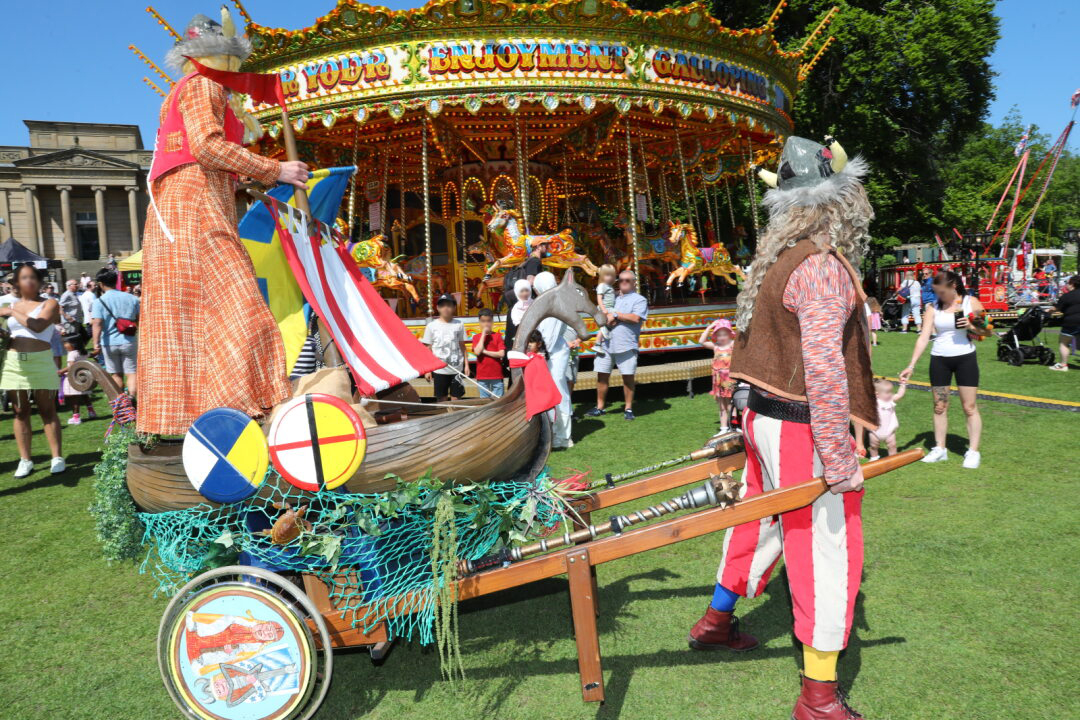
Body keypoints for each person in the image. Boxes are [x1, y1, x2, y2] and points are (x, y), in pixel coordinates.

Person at [688, 136, 877, 720]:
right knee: (825, 544)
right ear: (844, 201)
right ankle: (819, 697)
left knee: (762, 517)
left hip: (763, 417)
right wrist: (841, 458)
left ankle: (716, 621)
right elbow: (822, 369)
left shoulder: (778, 257)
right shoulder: (820, 265)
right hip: (800, 424)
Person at [137, 9, 305, 436]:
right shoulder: (203, 87)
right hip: (195, 212)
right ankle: (247, 407)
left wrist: (245, 182)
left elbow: (198, 157)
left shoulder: (180, 91)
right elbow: (207, 148)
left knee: (192, 316)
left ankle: (200, 412)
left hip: (182, 210)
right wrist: (277, 170)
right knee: (240, 304)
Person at [899, 270, 983, 468]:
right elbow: (923, 337)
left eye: (941, 292)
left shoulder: (970, 302)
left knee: (969, 407)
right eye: (936, 292)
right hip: (939, 360)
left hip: (965, 359)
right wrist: (911, 365)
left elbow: (987, 329)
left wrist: (971, 325)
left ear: (953, 286)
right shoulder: (932, 307)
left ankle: (973, 451)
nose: (939, 296)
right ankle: (940, 449)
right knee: (939, 406)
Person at [0, 263, 65, 477]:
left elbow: (37, 326)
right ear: (17, 283)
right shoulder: (12, 303)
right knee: (20, 411)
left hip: (41, 361)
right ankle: (25, 460)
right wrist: (5, 336)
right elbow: (15, 333)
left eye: (32, 277)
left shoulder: (50, 303)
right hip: (14, 362)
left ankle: (56, 456)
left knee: (47, 410)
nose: (29, 281)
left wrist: (11, 311)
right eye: (24, 277)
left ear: (38, 281)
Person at [585, 270, 648, 421]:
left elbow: (635, 318)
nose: (624, 282)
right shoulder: (611, 297)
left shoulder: (639, 300)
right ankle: (600, 407)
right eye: (621, 280)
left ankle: (628, 408)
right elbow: (602, 314)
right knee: (602, 376)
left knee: (627, 377)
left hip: (626, 344)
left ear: (634, 282)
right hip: (606, 344)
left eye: (627, 280)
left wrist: (616, 316)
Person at [533, 271, 574, 448]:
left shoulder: (555, 303)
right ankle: (552, 432)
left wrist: (540, 352)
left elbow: (549, 334)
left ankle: (564, 435)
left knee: (558, 390)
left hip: (553, 353)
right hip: (548, 352)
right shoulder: (546, 302)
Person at [91, 268, 140, 398]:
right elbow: (138, 319)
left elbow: (97, 323)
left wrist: (96, 344)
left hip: (109, 342)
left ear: (100, 284)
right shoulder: (132, 298)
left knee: (116, 374)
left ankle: (119, 404)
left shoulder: (99, 301)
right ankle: (132, 398)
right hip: (129, 340)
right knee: (132, 372)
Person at [422, 293, 468, 401]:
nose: (445, 308)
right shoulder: (431, 326)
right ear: (438, 308)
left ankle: (456, 417)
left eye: (448, 305)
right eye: (442, 305)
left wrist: (466, 365)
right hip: (439, 370)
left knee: (456, 398)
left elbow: (462, 345)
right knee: (441, 398)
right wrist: (427, 370)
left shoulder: (459, 324)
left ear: (454, 307)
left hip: (457, 368)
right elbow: (428, 348)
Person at [698, 318, 735, 431]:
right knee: (721, 405)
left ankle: (734, 424)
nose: (722, 337)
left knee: (730, 403)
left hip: (729, 379)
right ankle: (723, 427)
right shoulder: (716, 346)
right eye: (719, 335)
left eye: (725, 334)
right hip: (718, 379)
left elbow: (742, 338)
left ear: (729, 334)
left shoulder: (732, 345)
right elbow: (701, 341)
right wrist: (709, 328)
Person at [59, 333, 97, 423]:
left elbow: (72, 367)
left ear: (73, 344)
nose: (64, 345)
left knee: (74, 398)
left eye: (66, 343)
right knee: (85, 396)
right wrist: (97, 352)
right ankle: (91, 412)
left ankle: (76, 417)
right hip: (84, 378)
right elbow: (91, 355)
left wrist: (61, 371)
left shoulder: (72, 354)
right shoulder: (83, 352)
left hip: (74, 379)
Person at [866, 378, 907, 460]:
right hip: (875, 431)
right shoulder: (873, 402)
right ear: (877, 394)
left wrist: (903, 385)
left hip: (889, 430)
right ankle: (874, 458)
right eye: (887, 392)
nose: (891, 394)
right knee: (873, 446)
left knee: (892, 445)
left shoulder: (890, 400)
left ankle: (893, 458)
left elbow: (899, 395)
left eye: (891, 391)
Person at [472, 308, 506, 398]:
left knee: (498, 401)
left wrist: (485, 351)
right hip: (482, 376)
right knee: (484, 402)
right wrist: (483, 334)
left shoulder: (498, 336)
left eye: (489, 321)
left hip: (496, 375)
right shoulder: (476, 337)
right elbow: (478, 352)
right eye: (483, 321)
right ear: (479, 322)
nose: (486, 324)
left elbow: (501, 354)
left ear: (492, 322)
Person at [1050, 275, 1080, 371]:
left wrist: (1048, 311)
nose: (1066, 285)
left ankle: (1063, 365)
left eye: (1068, 283)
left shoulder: (1067, 296)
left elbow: (1057, 308)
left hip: (1072, 322)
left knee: (1064, 343)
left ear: (1072, 284)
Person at [593, 263, 618, 354]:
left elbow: (611, 295)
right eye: (607, 275)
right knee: (612, 320)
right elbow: (599, 298)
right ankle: (597, 343)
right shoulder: (602, 286)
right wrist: (603, 309)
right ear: (602, 276)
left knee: (610, 323)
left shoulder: (609, 286)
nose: (610, 277)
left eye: (612, 275)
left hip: (610, 307)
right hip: (606, 308)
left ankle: (601, 342)